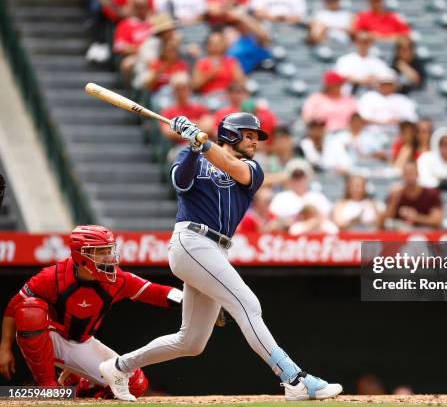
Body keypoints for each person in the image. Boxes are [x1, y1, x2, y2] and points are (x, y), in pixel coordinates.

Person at [98, 114, 343, 401]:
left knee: (191, 341)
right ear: (229, 134)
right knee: (247, 304)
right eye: (248, 135)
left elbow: (232, 167)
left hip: (216, 249)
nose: (254, 141)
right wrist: (191, 145)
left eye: (256, 137)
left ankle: (118, 366)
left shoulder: (252, 168)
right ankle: (294, 378)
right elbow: (179, 182)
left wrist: (201, 143)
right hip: (192, 240)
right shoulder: (192, 154)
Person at [0, 225, 183, 397]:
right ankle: (48, 386)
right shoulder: (52, 276)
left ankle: (78, 386)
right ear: (81, 256)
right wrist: (4, 348)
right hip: (51, 337)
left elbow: (157, 292)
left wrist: (191, 300)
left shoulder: (116, 279)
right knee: (29, 310)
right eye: (101, 252)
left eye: (109, 250)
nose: (109, 257)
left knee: (136, 385)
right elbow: (12, 307)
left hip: (82, 343)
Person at [160, 73, 210, 162]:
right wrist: (195, 125)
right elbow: (167, 132)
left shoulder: (200, 108)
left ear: (190, 90)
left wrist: (182, 128)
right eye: (177, 89)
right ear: (173, 91)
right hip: (179, 148)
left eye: (183, 88)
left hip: (201, 146)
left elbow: (208, 128)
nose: (180, 92)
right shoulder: (167, 111)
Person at [378, 161, 443, 230]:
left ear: (417, 174)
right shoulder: (396, 193)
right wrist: (394, 200)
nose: (409, 177)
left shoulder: (431, 193)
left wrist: (416, 217)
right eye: (406, 173)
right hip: (400, 235)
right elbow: (382, 221)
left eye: (411, 173)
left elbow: (437, 220)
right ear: (402, 175)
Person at [268, 159, 333, 228]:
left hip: (316, 232)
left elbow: (327, 216)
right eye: (295, 176)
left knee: (329, 227)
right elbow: (274, 220)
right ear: (289, 178)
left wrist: (312, 222)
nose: (298, 180)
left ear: (308, 177)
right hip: (289, 233)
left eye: (301, 176)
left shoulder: (318, 197)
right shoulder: (281, 198)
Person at [357, 69, 418, 138]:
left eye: (389, 84)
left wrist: (400, 120)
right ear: (378, 84)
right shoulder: (368, 97)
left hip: (397, 135)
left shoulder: (403, 99)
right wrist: (383, 122)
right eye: (384, 84)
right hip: (372, 134)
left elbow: (412, 118)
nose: (386, 86)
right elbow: (362, 118)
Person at [209, 83, 277, 138]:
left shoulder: (258, 109)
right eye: (232, 92)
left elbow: (272, 122)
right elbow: (215, 132)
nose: (236, 96)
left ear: (247, 94)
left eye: (239, 92)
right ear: (228, 95)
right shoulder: (222, 112)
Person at [192, 31, 245, 96]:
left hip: (228, 97)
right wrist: (211, 74)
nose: (216, 45)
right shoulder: (201, 62)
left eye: (219, 43)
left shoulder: (232, 62)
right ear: (208, 45)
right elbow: (195, 85)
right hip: (207, 98)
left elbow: (240, 82)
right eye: (213, 43)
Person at [112, 0, 152, 80]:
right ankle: (132, 92)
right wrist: (140, 50)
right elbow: (119, 47)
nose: (141, 10)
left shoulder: (154, 22)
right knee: (127, 64)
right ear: (133, 8)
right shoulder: (125, 24)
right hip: (136, 56)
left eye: (143, 7)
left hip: (154, 56)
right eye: (138, 7)